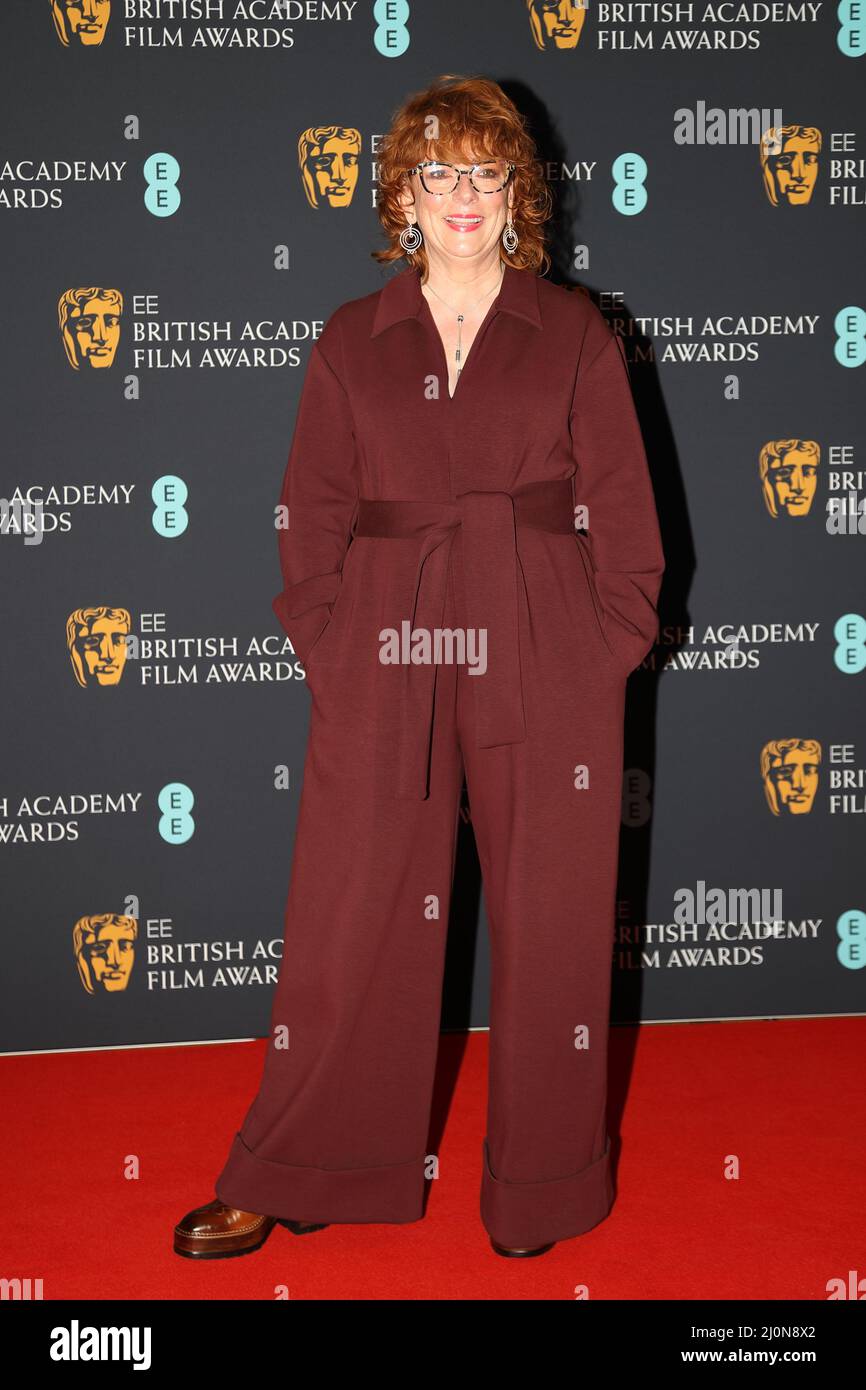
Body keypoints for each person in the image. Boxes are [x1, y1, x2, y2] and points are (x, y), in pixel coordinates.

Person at [174, 73, 665, 1262]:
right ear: (401, 191)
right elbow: (312, 518)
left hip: (541, 645)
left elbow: (630, 526)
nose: (461, 195)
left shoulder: (576, 333)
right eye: (438, 170)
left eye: (485, 172)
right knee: (350, 920)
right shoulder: (352, 338)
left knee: (552, 927)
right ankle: (299, 1165)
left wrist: (596, 650)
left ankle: (540, 1187)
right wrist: (337, 644)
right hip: (387, 650)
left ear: (516, 195)